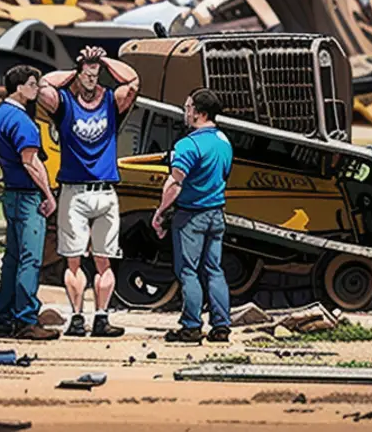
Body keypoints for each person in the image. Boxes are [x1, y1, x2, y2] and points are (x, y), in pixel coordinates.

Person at [38, 45, 140, 338]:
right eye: (87, 76)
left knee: (104, 259)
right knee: (73, 260)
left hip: (106, 190)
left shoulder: (111, 101)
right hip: (73, 190)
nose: (91, 81)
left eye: (95, 76)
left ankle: (102, 317)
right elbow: (43, 84)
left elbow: (132, 82)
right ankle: (77, 316)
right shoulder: (65, 103)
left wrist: (104, 60)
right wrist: (77, 67)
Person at [152, 88, 233, 344]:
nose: (185, 112)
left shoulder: (188, 144)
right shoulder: (224, 140)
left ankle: (191, 326)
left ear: (199, 113)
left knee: (188, 271)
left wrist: (160, 211)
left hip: (191, 216)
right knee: (214, 270)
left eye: (188, 108)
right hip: (216, 214)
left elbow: (175, 183)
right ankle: (221, 327)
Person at [0, 65, 60, 341]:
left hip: (11, 193)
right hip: (28, 195)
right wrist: (48, 194)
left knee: (13, 259)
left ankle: (4, 317)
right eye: (33, 84)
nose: (37, 89)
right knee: (30, 260)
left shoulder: (1, 114)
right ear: (19, 88)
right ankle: (26, 319)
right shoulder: (22, 121)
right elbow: (31, 162)